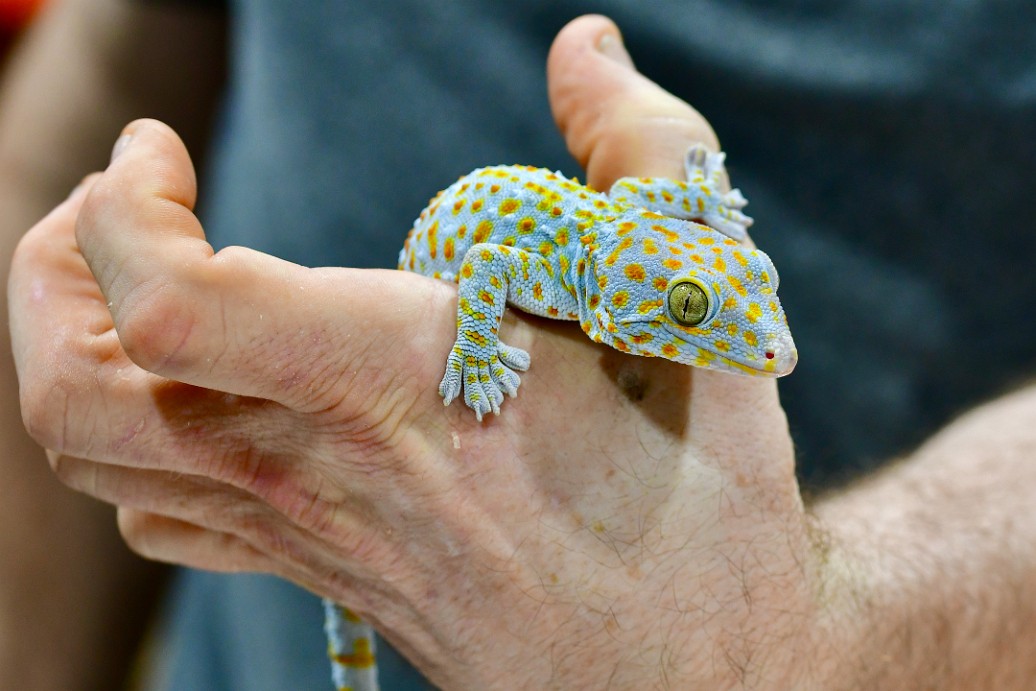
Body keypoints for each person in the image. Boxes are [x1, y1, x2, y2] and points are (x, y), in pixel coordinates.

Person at [4, 1, 1036, 689]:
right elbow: (121, 46)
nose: (757, 343)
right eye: (689, 312)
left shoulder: (625, 264)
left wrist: (821, 643)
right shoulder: (587, 266)